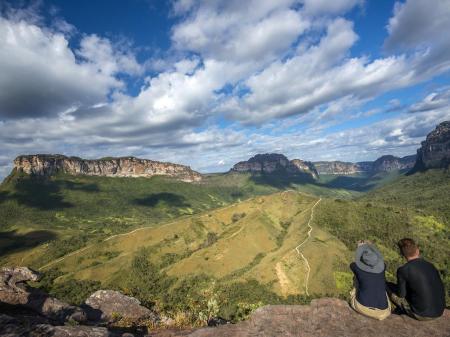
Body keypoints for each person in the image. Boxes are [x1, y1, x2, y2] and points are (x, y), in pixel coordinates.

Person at [387, 238, 445, 320]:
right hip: (439, 311)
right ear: (417, 250)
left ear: (402, 254)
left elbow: (401, 295)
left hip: (422, 314)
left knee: (386, 285)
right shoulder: (431, 265)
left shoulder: (403, 270)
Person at [349, 240, 391, 320]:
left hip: (363, 308)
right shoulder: (383, 267)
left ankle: (358, 297)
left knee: (356, 278)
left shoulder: (356, 267)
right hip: (383, 312)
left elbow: (352, 264)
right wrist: (370, 247)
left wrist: (361, 248)